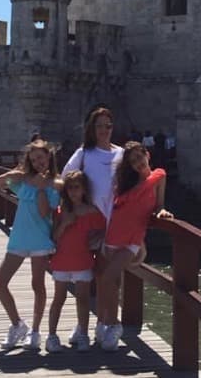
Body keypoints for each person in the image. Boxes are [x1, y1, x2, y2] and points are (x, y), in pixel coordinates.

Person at [97, 141, 173, 352]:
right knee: (110, 283)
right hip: (113, 236)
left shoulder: (159, 175)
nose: (138, 163)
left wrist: (162, 213)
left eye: (140, 157)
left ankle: (113, 325)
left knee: (108, 278)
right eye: (133, 161)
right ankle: (104, 321)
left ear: (147, 154)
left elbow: (159, 205)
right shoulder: (125, 186)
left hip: (132, 239)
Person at [0, 138, 61, 351]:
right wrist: (9, 175)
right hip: (19, 238)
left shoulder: (53, 184)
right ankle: (17, 324)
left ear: (49, 157)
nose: (38, 162)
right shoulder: (24, 181)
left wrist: (40, 188)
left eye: (41, 157)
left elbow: (43, 212)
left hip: (39, 239)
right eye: (33, 159)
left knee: (37, 285)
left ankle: (36, 331)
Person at [44, 170, 106, 353]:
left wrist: (96, 239)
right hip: (62, 260)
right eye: (69, 188)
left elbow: (103, 231)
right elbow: (54, 237)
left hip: (83, 260)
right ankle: (52, 336)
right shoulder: (60, 211)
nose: (73, 192)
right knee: (59, 298)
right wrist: (64, 223)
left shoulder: (93, 212)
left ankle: (83, 334)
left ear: (84, 189)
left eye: (76, 187)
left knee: (83, 300)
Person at [61, 106, 123, 221]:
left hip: (117, 218)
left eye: (108, 126)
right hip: (91, 218)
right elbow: (64, 179)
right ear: (92, 129)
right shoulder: (84, 152)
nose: (104, 130)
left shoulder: (121, 153)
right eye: (99, 126)